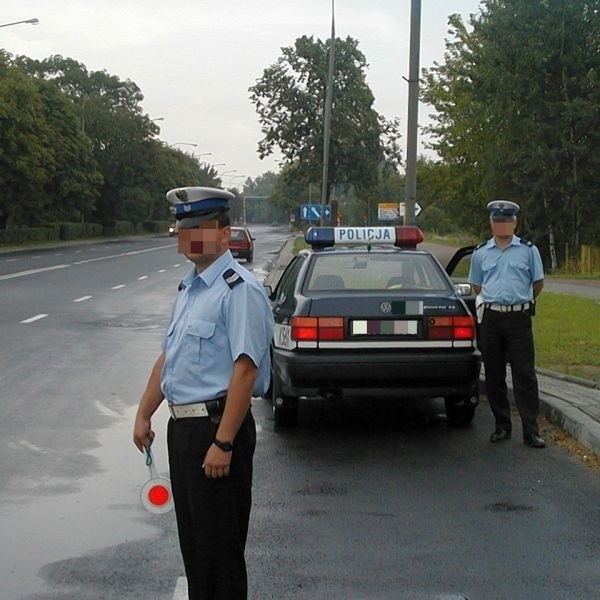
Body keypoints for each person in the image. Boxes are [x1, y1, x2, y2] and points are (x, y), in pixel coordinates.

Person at [133, 186, 274, 599]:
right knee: (195, 551)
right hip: (184, 432)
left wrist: (224, 442)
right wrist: (144, 413)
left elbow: (246, 371)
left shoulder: (239, 289)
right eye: (184, 228)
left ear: (224, 233)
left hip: (216, 430)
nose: (190, 236)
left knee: (221, 553)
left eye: (200, 227)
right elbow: (169, 358)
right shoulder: (190, 289)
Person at [468, 200, 546, 448]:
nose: (501, 225)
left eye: (506, 221)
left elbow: (537, 284)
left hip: (518, 318)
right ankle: (502, 426)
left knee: (524, 374)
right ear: (492, 223)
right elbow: (477, 285)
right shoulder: (481, 252)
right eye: (497, 221)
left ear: (514, 223)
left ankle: (530, 431)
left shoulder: (528, 250)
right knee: (493, 374)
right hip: (492, 318)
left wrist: (520, 302)